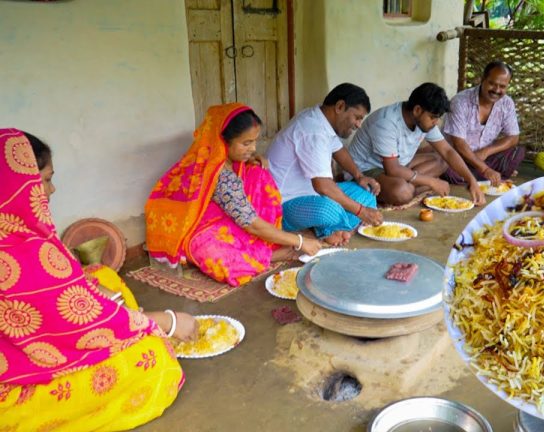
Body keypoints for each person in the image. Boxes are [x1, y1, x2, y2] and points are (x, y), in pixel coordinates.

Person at [1, 129, 198, 430]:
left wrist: (98, 295)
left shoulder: (15, 234)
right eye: (44, 180)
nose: (52, 190)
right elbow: (80, 326)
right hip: (15, 389)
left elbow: (62, 298)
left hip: (21, 352)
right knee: (153, 357)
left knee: (101, 276)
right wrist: (168, 321)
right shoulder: (23, 255)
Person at [145, 103, 322, 287]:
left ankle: (262, 248)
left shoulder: (226, 158)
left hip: (227, 218)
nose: (253, 148)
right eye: (246, 143)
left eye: (254, 141)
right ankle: (267, 256)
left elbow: (244, 212)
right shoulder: (220, 174)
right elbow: (251, 224)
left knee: (259, 174)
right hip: (195, 230)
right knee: (222, 259)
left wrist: (250, 160)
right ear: (223, 142)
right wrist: (300, 241)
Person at [266, 83, 383, 244]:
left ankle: (330, 229)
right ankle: (329, 230)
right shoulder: (312, 130)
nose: (358, 125)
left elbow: (338, 150)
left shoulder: (321, 120)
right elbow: (323, 186)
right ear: (340, 106)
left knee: (367, 193)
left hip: (313, 195)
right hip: (285, 205)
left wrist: (359, 176)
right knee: (328, 211)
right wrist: (361, 211)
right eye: (357, 117)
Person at [347, 82, 486, 206]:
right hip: (366, 170)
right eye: (433, 117)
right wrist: (432, 182)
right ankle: (409, 188)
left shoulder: (423, 121)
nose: (435, 123)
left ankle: (412, 185)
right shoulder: (386, 123)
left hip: (398, 165)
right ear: (417, 110)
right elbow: (393, 170)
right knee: (402, 192)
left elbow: (447, 152)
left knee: (443, 161)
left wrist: (471, 180)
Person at [442, 61, 525, 186]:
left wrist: (486, 152)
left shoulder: (507, 103)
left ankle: (478, 176)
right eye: (492, 84)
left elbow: (513, 137)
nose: (497, 90)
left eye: (502, 86)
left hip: (486, 157)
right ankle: (485, 175)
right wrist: (484, 168)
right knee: (446, 168)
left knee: (517, 153)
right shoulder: (460, 101)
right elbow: (458, 144)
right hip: (460, 157)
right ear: (483, 80)